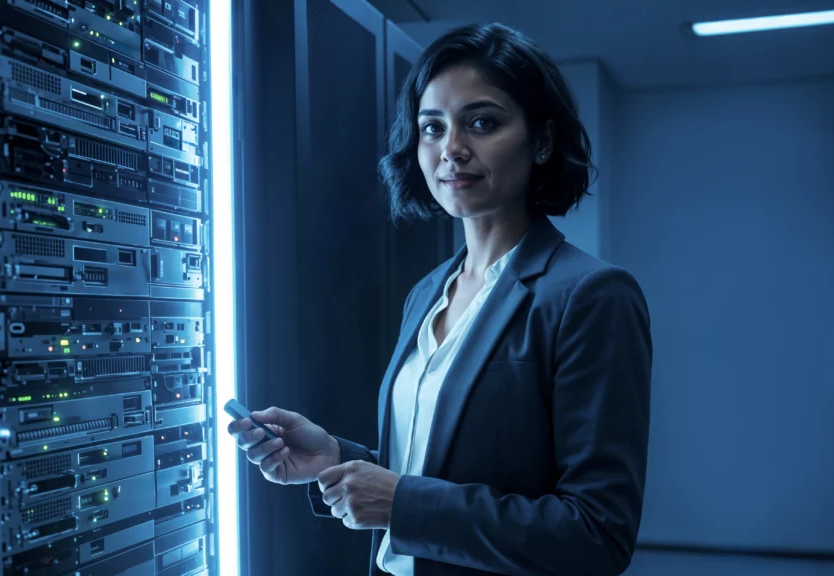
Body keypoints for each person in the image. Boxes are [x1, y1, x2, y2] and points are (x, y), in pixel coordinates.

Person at [228, 22, 652, 576]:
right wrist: (337, 457)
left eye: (482, 122)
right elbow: (439, 464)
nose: (452, 149)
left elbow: (598, 536)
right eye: (432, 127)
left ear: (543, 140)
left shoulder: (590, 296)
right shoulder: (428, 292)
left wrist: (403, 504)